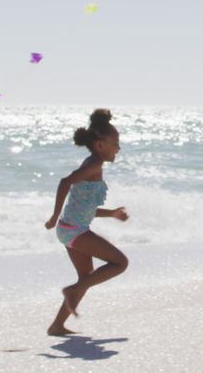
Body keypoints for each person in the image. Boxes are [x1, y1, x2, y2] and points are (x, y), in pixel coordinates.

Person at [44, 108, 129, 336]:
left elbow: (85, 207)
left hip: (71, 229)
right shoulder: (93, 165)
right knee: (120, 263)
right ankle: (71, 291)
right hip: (75, 231)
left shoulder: (92, 164)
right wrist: (53, 216)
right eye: (116, 143)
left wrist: (110, 213)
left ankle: (57, 325)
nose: (118, 149)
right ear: (100, 144)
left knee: (86, 277)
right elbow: (65, 182)